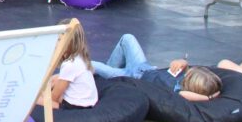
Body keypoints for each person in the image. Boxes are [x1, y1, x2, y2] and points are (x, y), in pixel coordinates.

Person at [92, 34, 222, 101]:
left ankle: (109, 78)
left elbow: (185, 95)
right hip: (144, 67)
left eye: (189, 75)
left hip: (132, 77)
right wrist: (183, 62)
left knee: (89, 64)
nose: (187, 73)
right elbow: (186, 69)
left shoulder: (177, 90)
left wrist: (208, 98)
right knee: (127, 38)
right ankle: (107, 77)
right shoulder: (183, 78)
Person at [44, 21, 98, 109]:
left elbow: (54, 98)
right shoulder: (79, 57)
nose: (55, 43)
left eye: (59, 40)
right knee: (54, 79)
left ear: (71, 42)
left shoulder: (70, 64)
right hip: (88, 100)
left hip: (77, 106)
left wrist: (43, 95)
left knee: (38, 99)